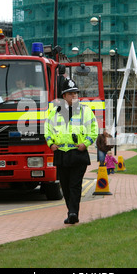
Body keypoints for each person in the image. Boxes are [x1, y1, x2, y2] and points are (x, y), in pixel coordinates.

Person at [44, 78, 98, 224]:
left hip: (78, 153)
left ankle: (73, 212)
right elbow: (47, 130)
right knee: (66, 187)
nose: (74, 96)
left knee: (75, 185)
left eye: (76, 93)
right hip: (61, 153)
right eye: (71, 94)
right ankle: (71, 212)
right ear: (64, 96)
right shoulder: (54, 113)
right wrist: (51, 144)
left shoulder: (86, 111)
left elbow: (94, 130)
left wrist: (86, 144)